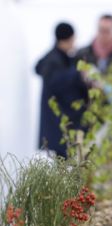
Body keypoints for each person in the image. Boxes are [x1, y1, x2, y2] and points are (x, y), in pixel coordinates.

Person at [35, 22, 89, 158]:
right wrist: (78, 75)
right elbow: (58, 84)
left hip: (61, 128)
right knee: (66, 168)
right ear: (69, 39)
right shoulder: (54, 61)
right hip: (59, 128)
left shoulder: (62, 59)